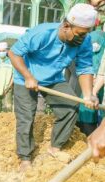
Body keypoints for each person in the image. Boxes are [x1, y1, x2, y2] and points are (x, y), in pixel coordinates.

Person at [8, 4, 99, 171]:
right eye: (80, 34)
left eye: (86, 34)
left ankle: (55, 147)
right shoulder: (42, 33)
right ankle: (25, 157)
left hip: (54, 78)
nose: (83, 38)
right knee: (26, 117)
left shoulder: (85, 41)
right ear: (66, 26)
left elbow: (85, 67)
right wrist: (28, 77)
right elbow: (14, 53)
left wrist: (88, 94)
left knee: (70, 108)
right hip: (26, 77)